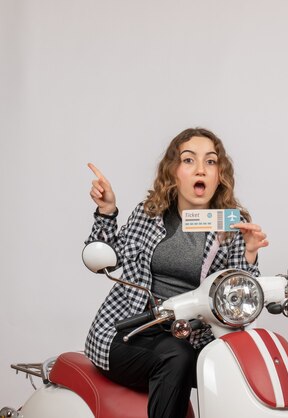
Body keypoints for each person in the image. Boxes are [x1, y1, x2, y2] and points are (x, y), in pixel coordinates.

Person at [84, 127, 268, 418]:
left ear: (220, 174)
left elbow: (239, 299)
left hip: (188, 335)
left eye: (210, 161)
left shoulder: (232, 224)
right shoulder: (150, 212)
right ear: (173, 172)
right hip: (129, 331)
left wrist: (249, 254)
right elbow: (111, 255)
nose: (201, 169)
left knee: (232, 366)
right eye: (188, 160)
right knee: (176, 357)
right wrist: (107, 210)